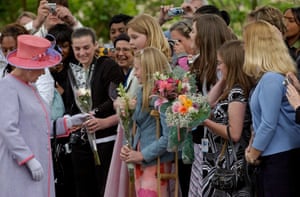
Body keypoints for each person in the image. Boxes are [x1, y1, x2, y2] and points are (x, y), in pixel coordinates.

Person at [0, 34, 89, 197]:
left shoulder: (30, 87)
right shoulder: (7, 87)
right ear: (28, 66)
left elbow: (40, 124)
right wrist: (28, 159)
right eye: (41, 67)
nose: (43, 72)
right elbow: (7, 129)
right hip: (19, 168)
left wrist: (69, 122)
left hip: (40, 163)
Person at [243, 20, 300, 197]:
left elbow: (268, 123)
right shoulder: (275, 76)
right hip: (281, 154)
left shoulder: (270, 79)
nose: (243, 47)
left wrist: (253, 153)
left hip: (278, 158)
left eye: (246, 42)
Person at [65, 27, 124, 197]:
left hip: (105, 138)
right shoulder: (73, 69)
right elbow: (71, 102)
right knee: (84, 189)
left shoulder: (108, 65)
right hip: (81, 142)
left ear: (95, 45)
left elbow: (114, 98)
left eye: (86, 47)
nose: (82, 53)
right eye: (77, 48)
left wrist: (93, 113)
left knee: (104, 187)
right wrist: (74, 120)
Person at [188, 14, 235, 197]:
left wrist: (197, 113)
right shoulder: (203, 64)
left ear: (204, 35)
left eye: (193, 31)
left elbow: (217, 106)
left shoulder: (221, 67)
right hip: (204, 140)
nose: (190, 35)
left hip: (219, 143)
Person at [120, 47, 174, 196]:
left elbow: (169, 137)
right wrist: (129, 148)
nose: (135, 73)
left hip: (155, 160)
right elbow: (138, 126)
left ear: (150, 69)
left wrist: (143, 155)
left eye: (138, 69)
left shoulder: (163, 96)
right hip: (141, 158)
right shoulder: (142, 92)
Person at [202, 40, 253, 196]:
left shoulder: (238, 92)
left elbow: (234, 133)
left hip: (229, 165)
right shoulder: (229, 88)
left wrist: (205, 122)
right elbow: (206, 105)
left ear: (232, 64)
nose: (218, 67)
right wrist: (224, 79)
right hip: (218, 160)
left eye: (221, 63)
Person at [104, 33, 139, 197]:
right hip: (122, 134)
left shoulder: (137, 75)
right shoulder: (115, 73)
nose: (121, 53)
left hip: (134, 135)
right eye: (117, 49)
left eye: (126, 49)